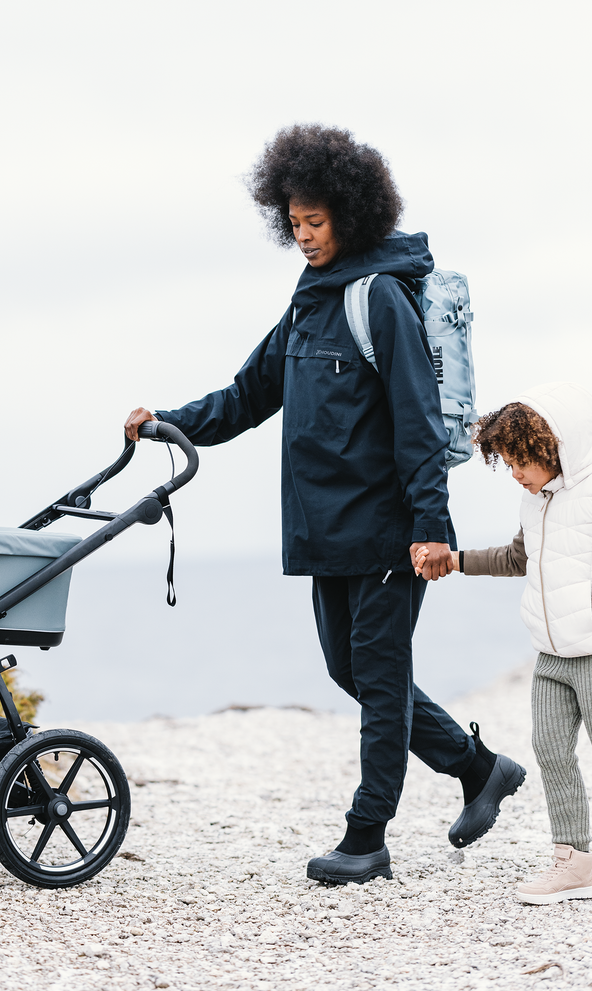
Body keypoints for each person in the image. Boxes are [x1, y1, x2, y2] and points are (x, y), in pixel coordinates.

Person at [124, 123, 526, 885]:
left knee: (377, 681)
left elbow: (414, 422)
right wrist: (166, 423)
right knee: (350, 670)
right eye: (295, 222)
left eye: (316, 221)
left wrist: (430, 528)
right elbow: (249, 394)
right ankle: (480, 767)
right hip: (323, 530)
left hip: (385, 530)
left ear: (353, 213)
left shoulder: (379, 301)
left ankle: (365, 835)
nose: (304, 236)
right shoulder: (309, 305)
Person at [427, 383, 592, 903]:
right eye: (507, 463)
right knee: (550, 749)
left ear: (548, 446)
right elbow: (517, 559)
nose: (515, 474)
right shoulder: (534, 502)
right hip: (550, 654)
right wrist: (454, 560)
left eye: (519, 461)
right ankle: (576, 858)